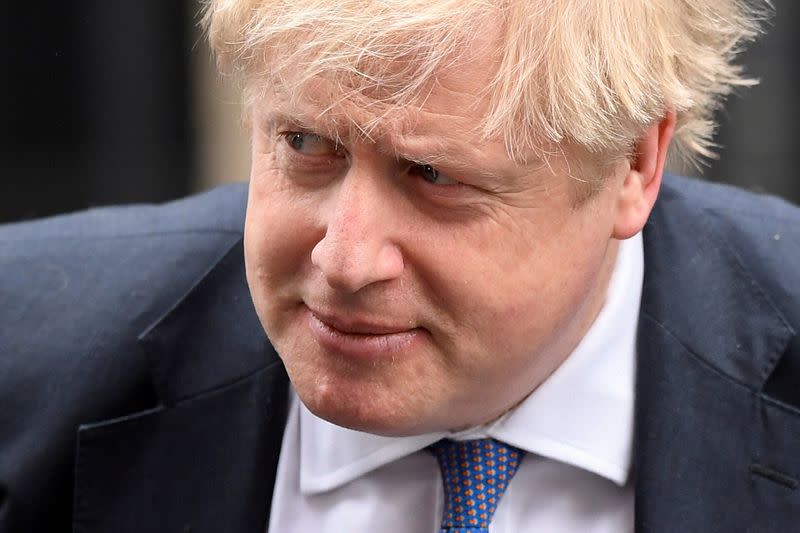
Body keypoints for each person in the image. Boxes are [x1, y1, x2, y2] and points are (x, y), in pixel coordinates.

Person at [1, 0, 798, 531]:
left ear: (633, 164)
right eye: (307, 145)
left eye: (433, 177)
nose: (344, 260)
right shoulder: (25, 356)